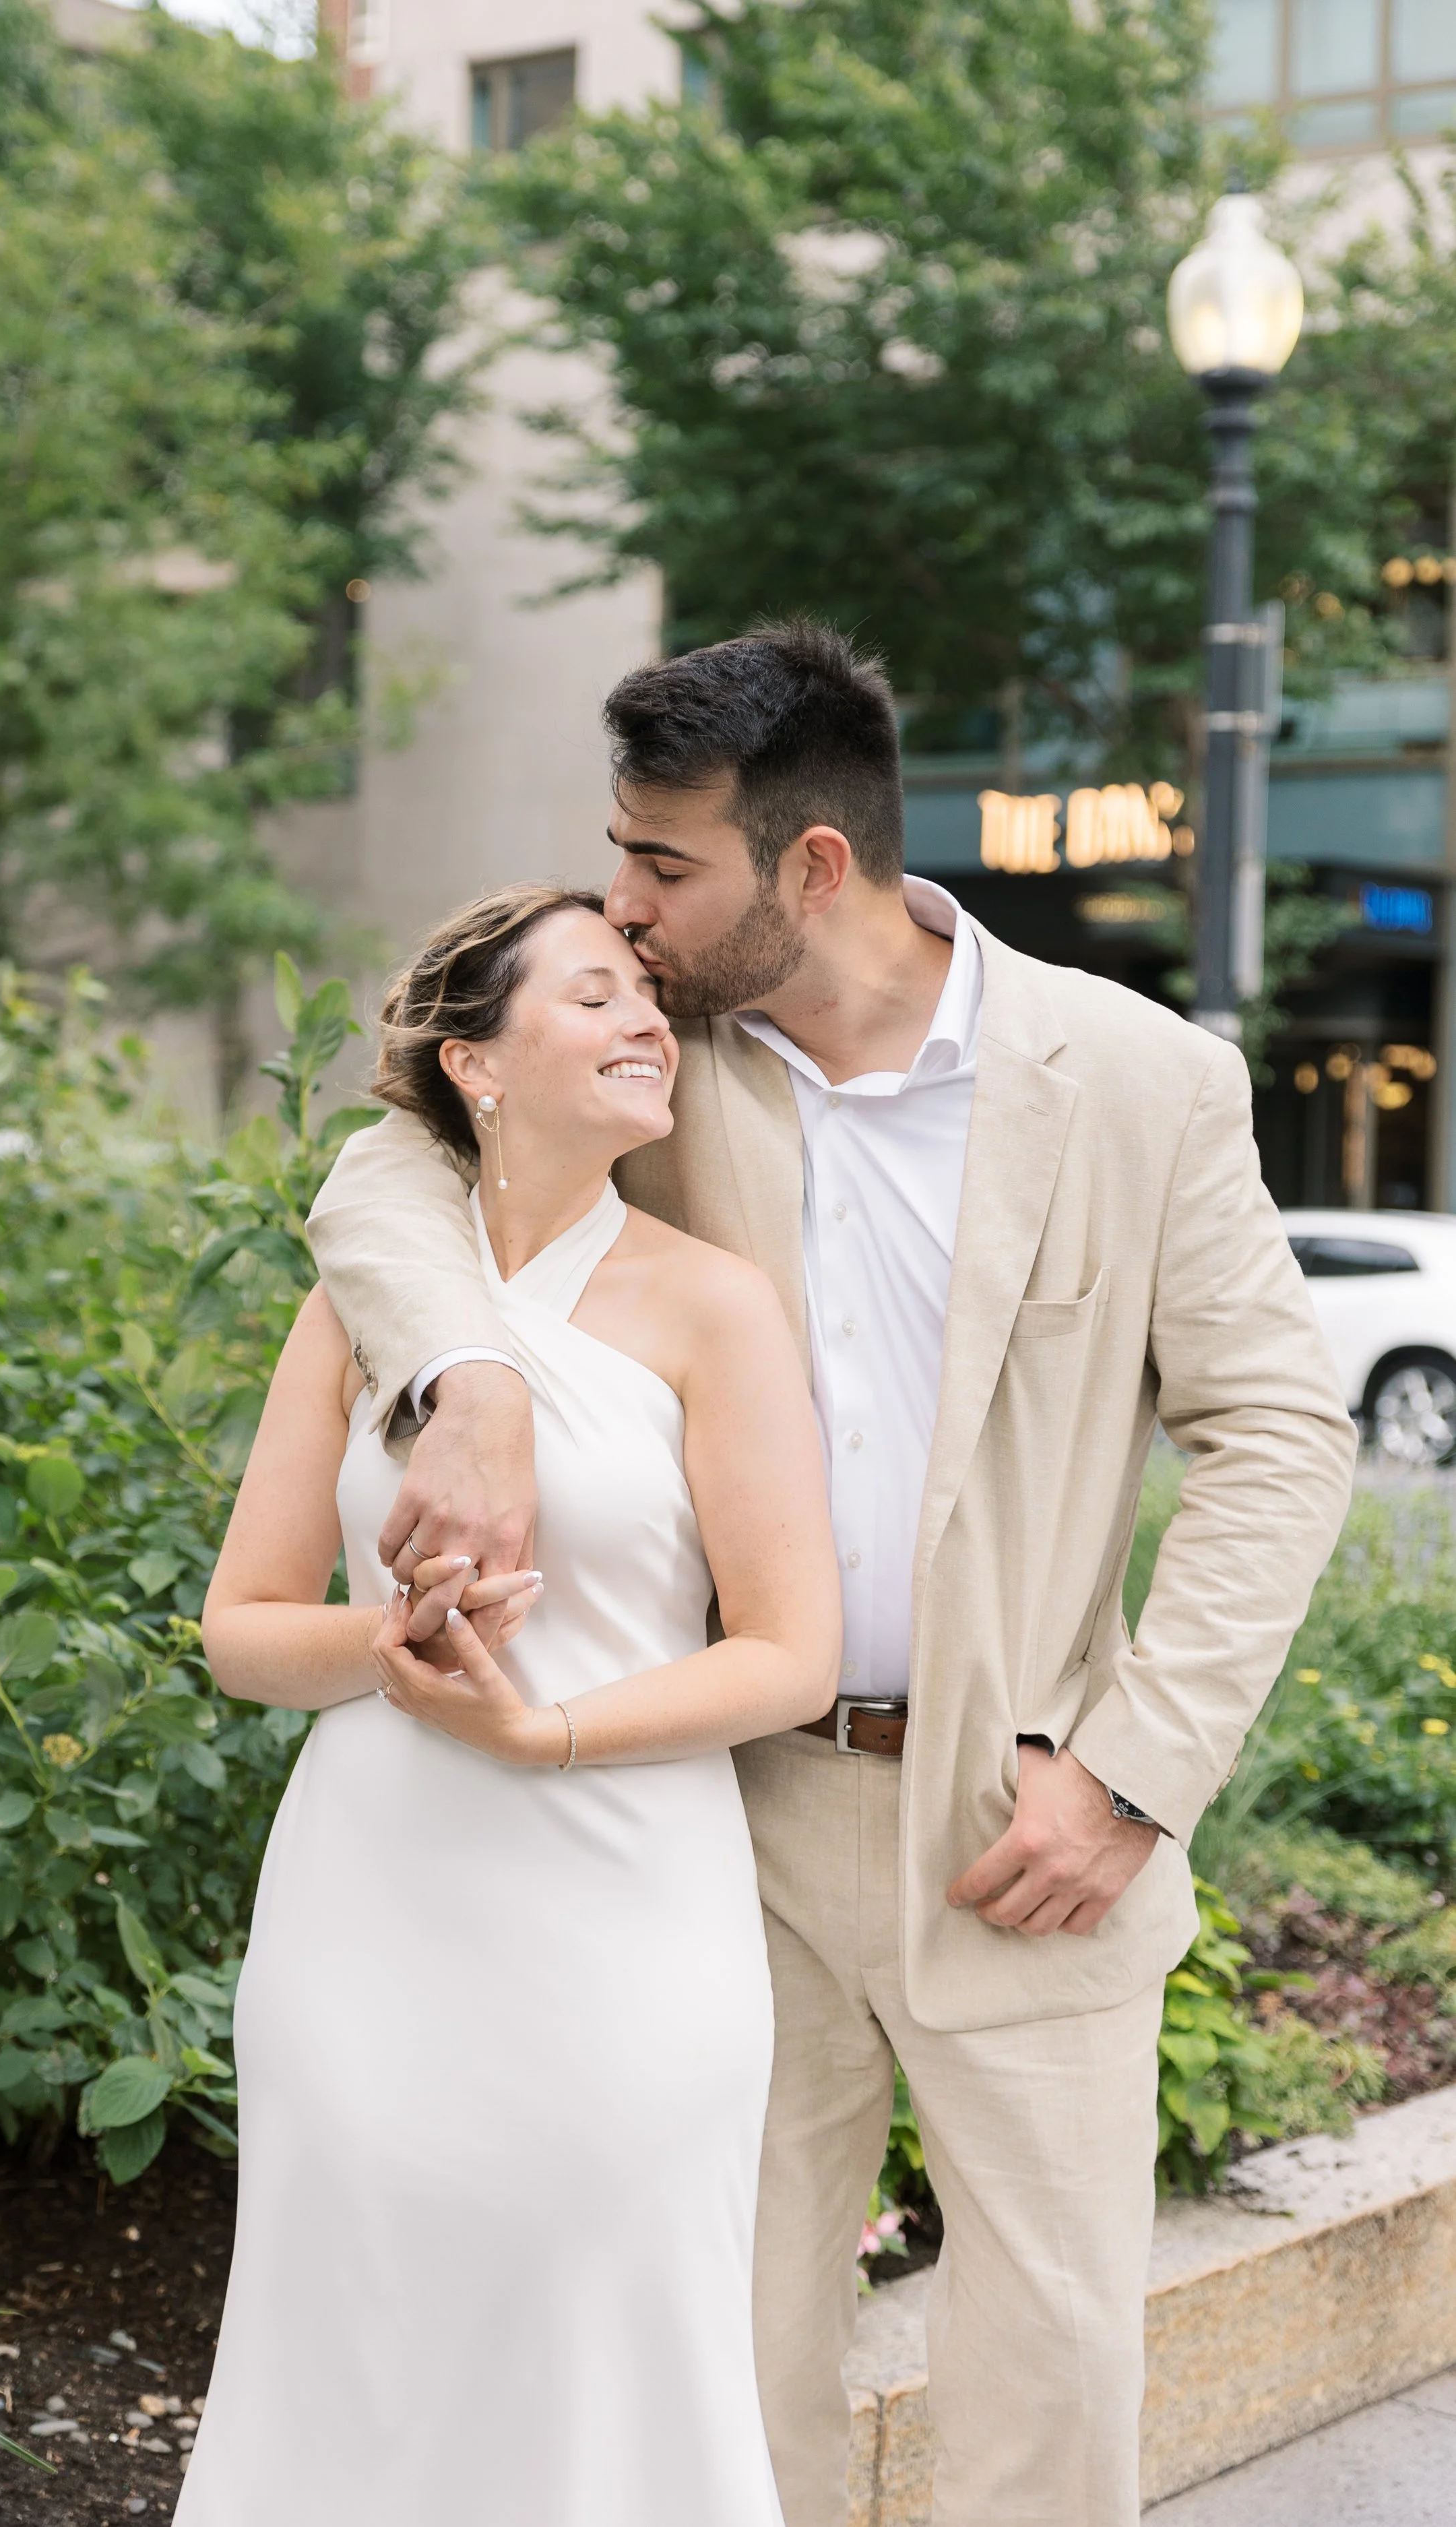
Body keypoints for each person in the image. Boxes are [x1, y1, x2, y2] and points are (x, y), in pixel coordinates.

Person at [305, 621, 1358, 2527]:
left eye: (661, 861)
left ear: (808, 867)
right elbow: (390, 1169)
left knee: (1049, 2385)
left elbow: (1281, 1436)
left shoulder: (1140, 1082)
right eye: (615, 853)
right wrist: (459, 1380)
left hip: (1026, 1822)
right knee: (723, 2352)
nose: (621, 906)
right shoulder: (663, 1058)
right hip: (719, 1819)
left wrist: (1130, 1770)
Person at [176, 885, 840, 2527]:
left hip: (627, 1914)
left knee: (608, 2347)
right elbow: (242, 1631)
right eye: (597, 995)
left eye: (648, 1003)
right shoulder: (361, 1310)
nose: (643, 1026)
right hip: (368, 1912)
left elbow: (786, 1654)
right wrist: (389, 1652)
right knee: (356, 2355)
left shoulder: (710, 1305)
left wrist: (538, 1729)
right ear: (473, 1064)